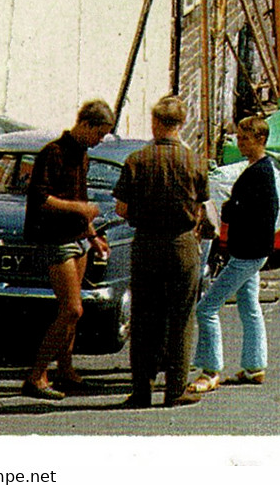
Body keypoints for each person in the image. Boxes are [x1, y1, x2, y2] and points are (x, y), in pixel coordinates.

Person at [114, 95, 210, 409]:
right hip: (182, 244)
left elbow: (122, 208)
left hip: (146, 244)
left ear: (155, 123)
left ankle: (141, 390)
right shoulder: (195, 161)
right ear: (181, 124)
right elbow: (200, 207)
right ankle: (175, 389)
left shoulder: (136, 160)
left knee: (143, 320)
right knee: (181, 319)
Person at [21, 99, 116, 400]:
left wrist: (92, 236)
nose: (100, 141)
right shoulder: (54, 152)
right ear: (85, 125)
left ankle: (65, 370)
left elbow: (80, 198)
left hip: (76, 238)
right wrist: (81, 209)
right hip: (55, 238)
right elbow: (39, 198)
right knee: (72, 309)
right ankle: (36, 376)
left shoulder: (83, 155)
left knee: (72, 313)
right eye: (99, 133)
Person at [188, 115, 278, 395]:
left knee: (207, 307)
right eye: (239, 137)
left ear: (260, 140)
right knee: (249, 306)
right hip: (254, 250)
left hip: (247, 252)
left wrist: (228, 210)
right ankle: (254, 366)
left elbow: (247, 212)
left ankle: (210, 369)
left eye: (245, 138)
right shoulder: (260, 169)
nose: (239, 143)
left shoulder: (259, 173)